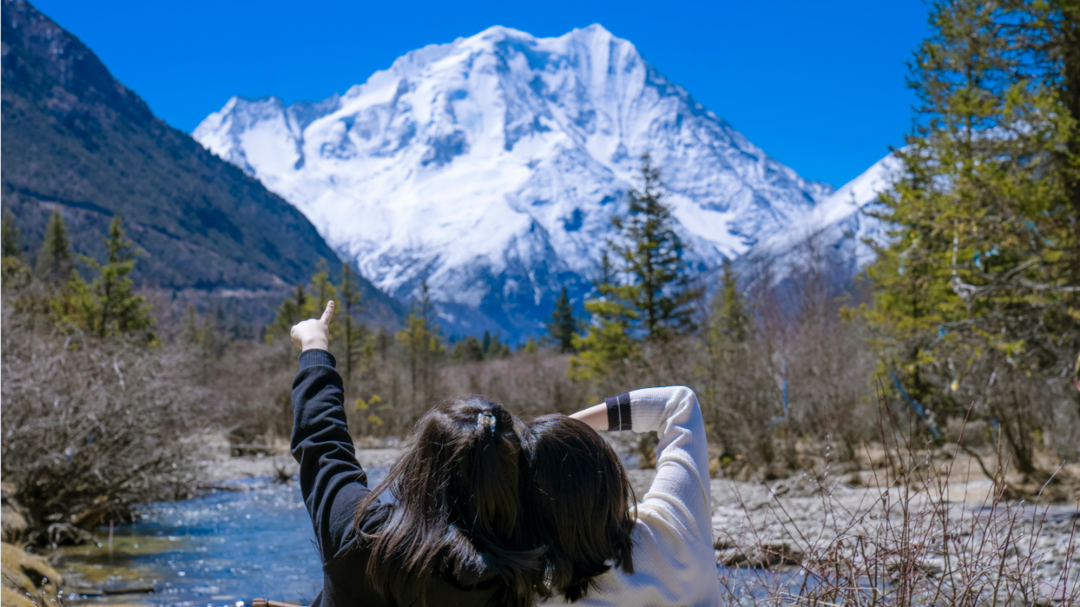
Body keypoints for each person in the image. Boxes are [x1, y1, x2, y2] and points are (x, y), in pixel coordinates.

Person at [289, 301, 543, 607]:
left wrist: (315, 346)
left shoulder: (364, 536)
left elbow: (322, 442)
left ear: (422, 468)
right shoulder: (531, 568)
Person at [526, 387, 718, 606]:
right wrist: (558, 434)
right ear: (611, 477)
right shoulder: (675, 526)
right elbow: (678, 403)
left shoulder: (533, 596)